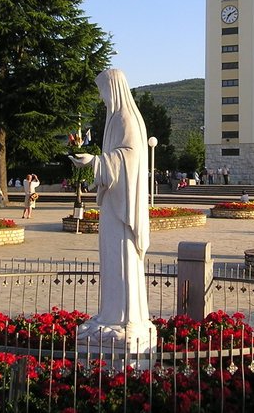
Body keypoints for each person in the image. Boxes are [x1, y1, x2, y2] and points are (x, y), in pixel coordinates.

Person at [68, 69, 154, 345]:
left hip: (122, 212)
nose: (102, 97)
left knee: (122, 260)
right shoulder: (117, 118)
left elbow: (129, 159)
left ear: (114, 89)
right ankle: (111, 315)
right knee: (112, 262)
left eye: (104, 91)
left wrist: (94, 162)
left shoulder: (126, 118)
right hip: (115, 206)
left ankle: (124, 319)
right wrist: (96, 161)